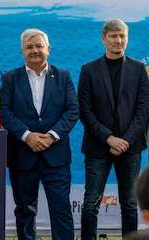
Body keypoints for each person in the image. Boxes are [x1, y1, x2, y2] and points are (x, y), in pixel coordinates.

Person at [0, 28, 79, 240]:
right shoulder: (9, 78)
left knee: (61, 210)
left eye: (38, 46)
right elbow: (4, 112)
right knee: (25, 212)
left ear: (48, 49)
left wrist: (52, 135)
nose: (34, 50)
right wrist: (27, 136)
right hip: (23, 156)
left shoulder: (63, 76)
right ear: (22, 51)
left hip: (56, 157)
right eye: (29, 47)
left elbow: (72, 110)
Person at [78, 18, 149, 239]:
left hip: (131, 146)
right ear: (103, 38)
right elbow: (85, 111)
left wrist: (125, 140)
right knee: (91, 203)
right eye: (114, 36)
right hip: (98, 147)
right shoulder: (88, 70)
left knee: (129, 203)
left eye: (122, 36)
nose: (118, 40)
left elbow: (143, 108)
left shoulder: (139, 69)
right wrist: (109, 138)